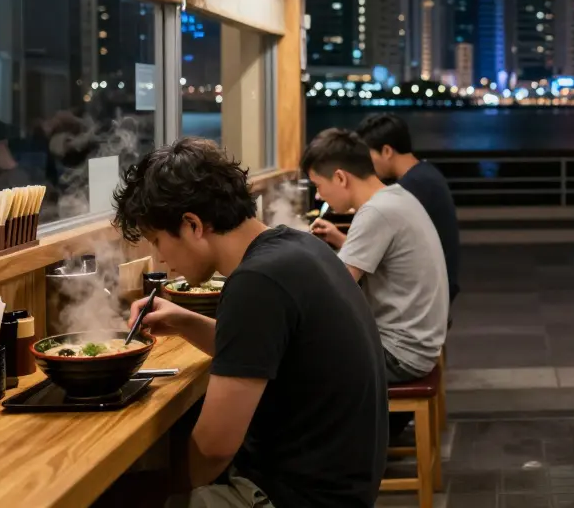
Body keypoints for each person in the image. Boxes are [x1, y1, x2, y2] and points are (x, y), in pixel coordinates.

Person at [112, 138, 388, 507]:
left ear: (192, 224)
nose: (161, 259)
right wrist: (185, 322)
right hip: (340, 485)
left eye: (157, 241)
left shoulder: (257, 283)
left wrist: (154, 490)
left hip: (298, 497)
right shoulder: (294, 247)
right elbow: (264, 351)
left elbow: (214, 448)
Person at [301, 128, 448, 388]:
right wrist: (339, 238)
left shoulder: (375, 213)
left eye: (318, 185)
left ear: (340, 177)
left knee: (294, 361)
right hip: (421, 342)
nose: (318, 196)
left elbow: (335, 289)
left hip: (400, 353)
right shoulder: (396, 196)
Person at [353, 113, 461, 305]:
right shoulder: (424, 174)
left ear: (386, 151)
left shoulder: (413, 187)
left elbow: (378, 250)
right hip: (437, 285)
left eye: (368, 156)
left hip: (429, 296)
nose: (366, 165)